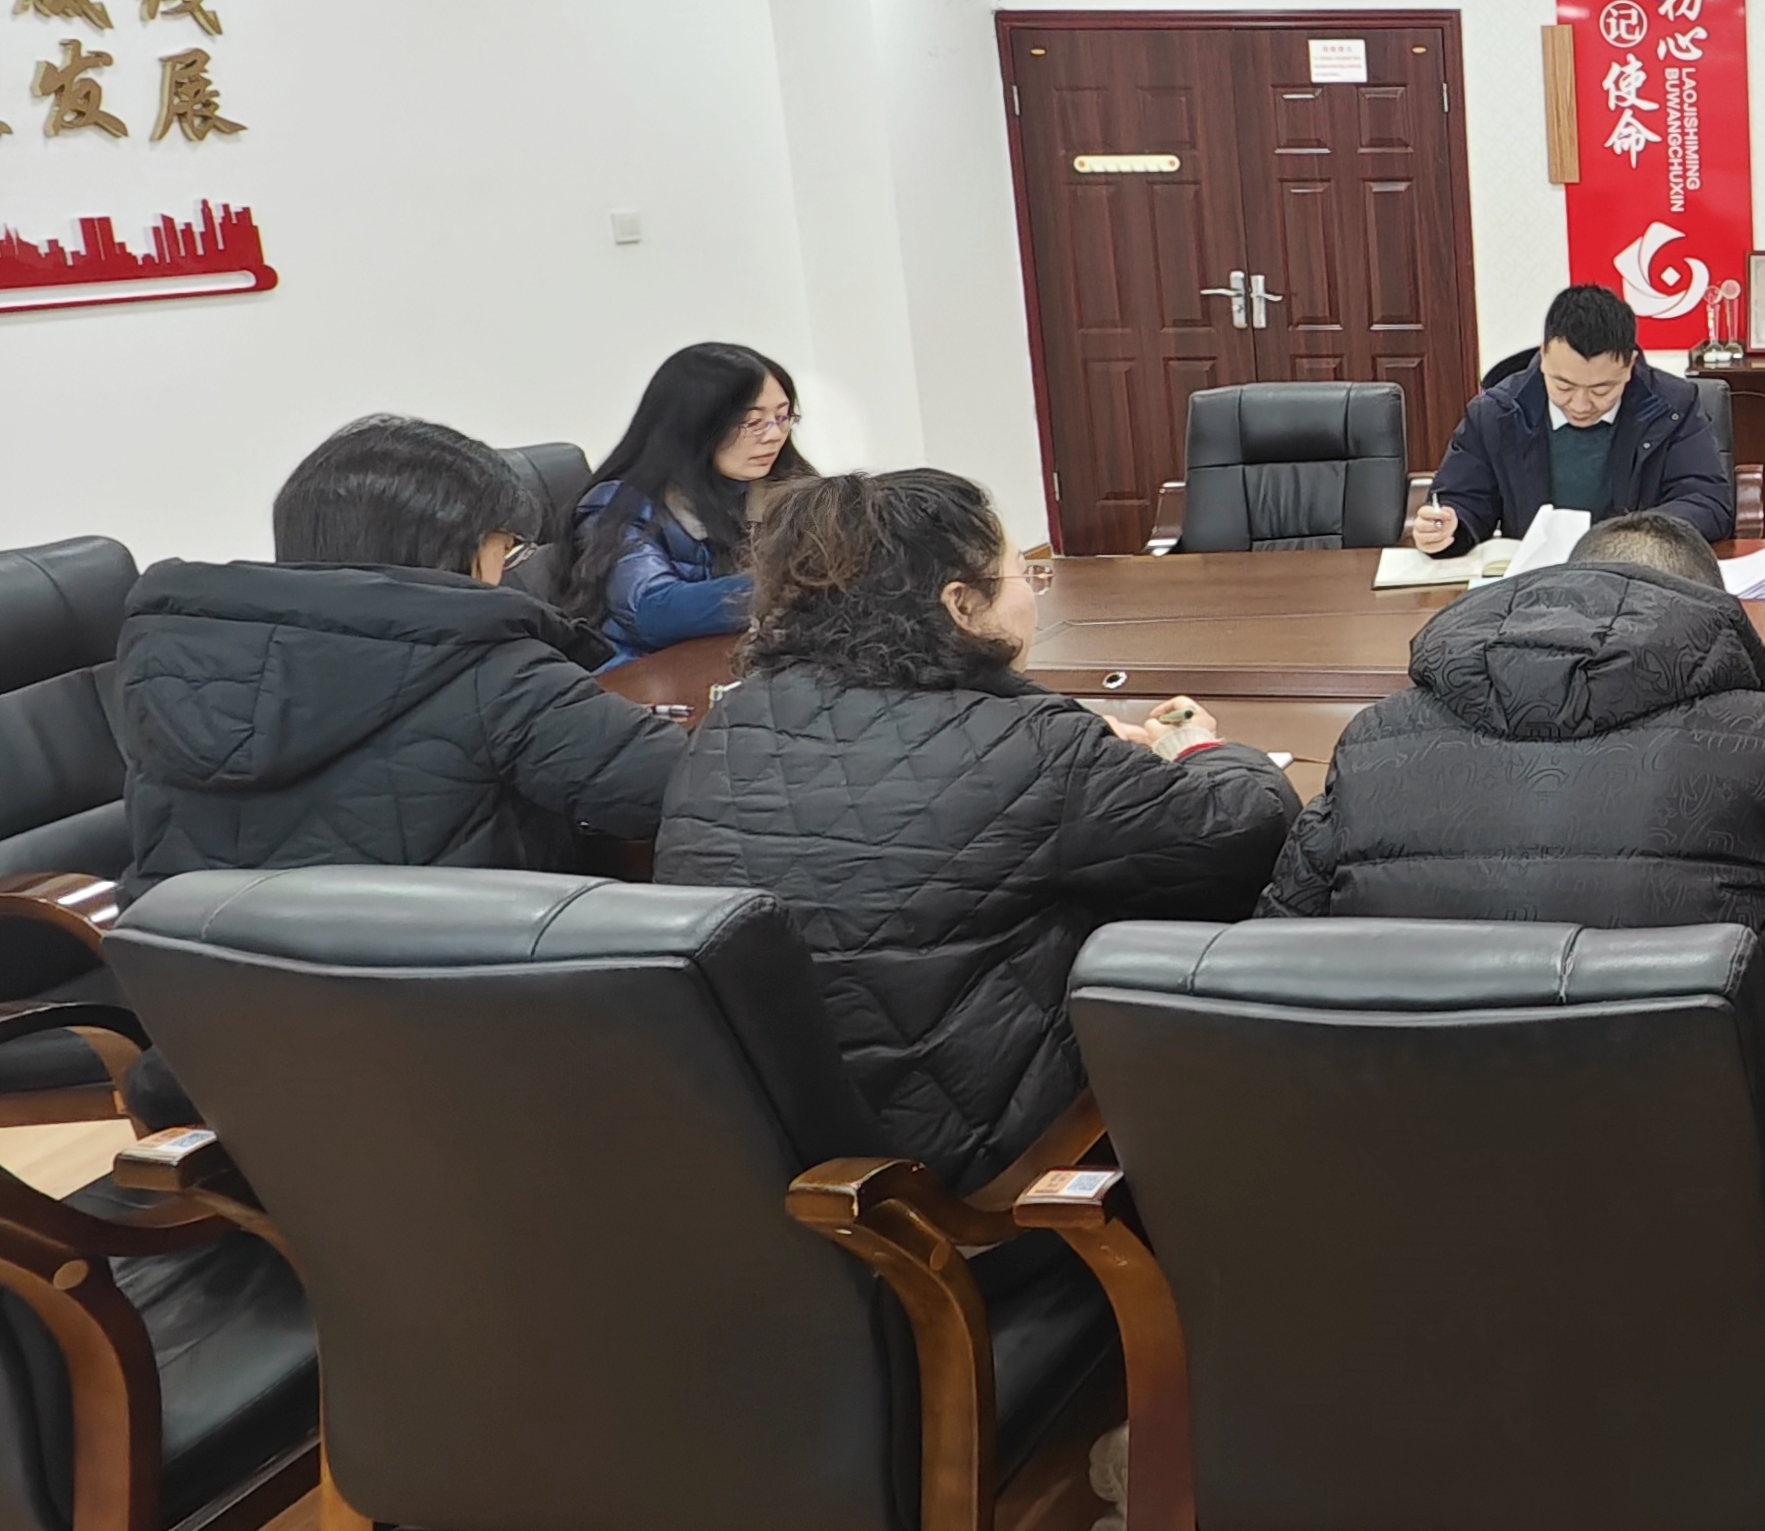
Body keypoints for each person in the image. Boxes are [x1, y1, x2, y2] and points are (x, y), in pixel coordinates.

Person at [655, 470, 1296, 1193]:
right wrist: (1199, 748)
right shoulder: (1032, 747)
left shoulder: (730, 724)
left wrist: (1070, 745)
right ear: (960, 605)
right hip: (976, 1170)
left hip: (770, 1168)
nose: (1032, 592)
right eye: (1023, 572)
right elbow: (1249, 827)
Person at [1262, 510, 1765, 950]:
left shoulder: (1374, 739)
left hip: (1407, 1116)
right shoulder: (1763, 739)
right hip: (1682, 1126)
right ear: (1709, 610)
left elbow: (1273, 943)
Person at [114, 414, 685, 881]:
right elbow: (684, 792)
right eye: (505, 551)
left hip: (207, 976)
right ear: (452, 550)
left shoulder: (174, 657)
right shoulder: (489, 668)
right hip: (452, 975)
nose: (505, 574)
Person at [1412, 283, 1736, 555]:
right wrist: (1450, 527)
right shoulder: (1496, 414)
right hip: (1535, 587)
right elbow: (1463, 501)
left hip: (1638, 577)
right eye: (1563, 386)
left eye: (1601, 389)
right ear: (1543, 356)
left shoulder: (1673, 407)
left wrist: (1632, 538)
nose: (1580, 405)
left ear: (1629, 365)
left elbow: (1707, 502)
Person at [564, 342, 817, 662]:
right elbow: (651, 610)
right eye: (753, 422)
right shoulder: (617, 505)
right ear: (695, 425)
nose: (774, 435)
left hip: (753, 659)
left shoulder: (782, 486)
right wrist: (797, 583)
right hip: (652, 674)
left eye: (782, 417)